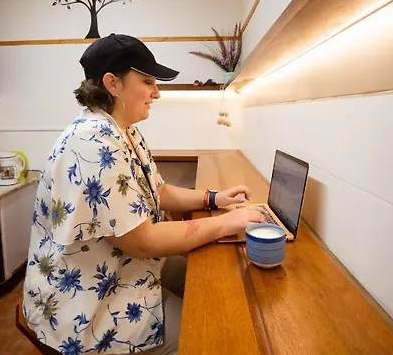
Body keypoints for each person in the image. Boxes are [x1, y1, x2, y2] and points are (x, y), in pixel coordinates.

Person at [23, 34, 266, 355]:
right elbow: (142, 241)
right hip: (89, 304)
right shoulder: (91, 144)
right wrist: (226, 223)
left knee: (215, 285)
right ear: (112, 83)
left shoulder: (124, 130)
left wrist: (213, 198)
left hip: (126, 268)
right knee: (215, 338)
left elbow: (157, 190)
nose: (157, 93)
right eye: (148, 82)